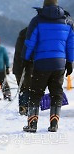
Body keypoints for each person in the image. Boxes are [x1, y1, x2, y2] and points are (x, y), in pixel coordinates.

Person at [22, 0, 74, 132]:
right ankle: (54, 124)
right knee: (56, 93)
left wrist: (26, 59)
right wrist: (70, 61)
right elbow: (71, 44)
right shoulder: (68, 21)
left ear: (44, 5)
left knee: (36, 93)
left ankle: (32, 124)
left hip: (41, 62)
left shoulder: (37, 20)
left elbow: (29, 42)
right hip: (59, 63)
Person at [13, 27, 33, 115]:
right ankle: (27, 107)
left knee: (22, 88)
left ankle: (22, 107)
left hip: (18, 68)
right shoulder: (27, 40)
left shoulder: (20, 39)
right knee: (28, 88)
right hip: (26, 67)